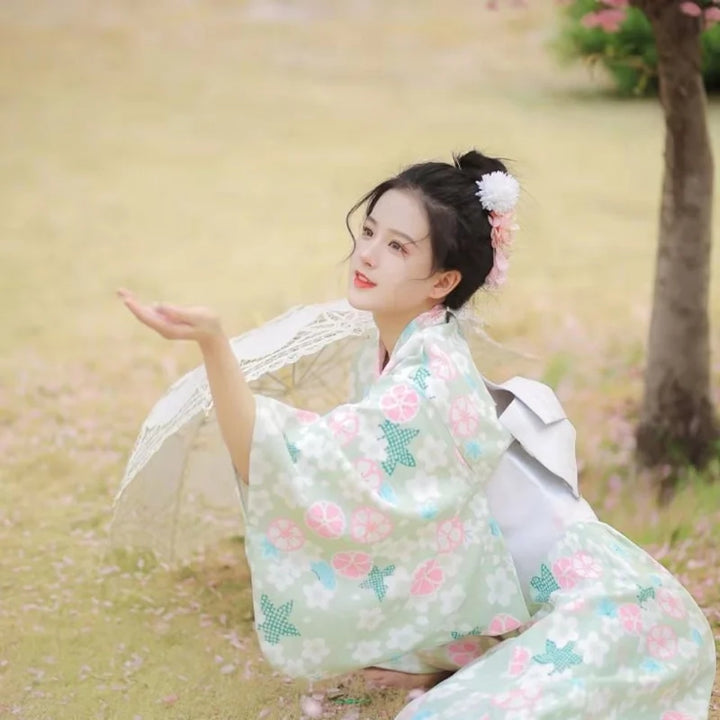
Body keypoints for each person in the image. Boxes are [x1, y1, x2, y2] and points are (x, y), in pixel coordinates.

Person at [118, 150, 715, 719]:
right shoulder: (391, 347)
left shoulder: (428, 381)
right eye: (371, 231)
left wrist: (215, 344)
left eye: (398, 246)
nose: (368, 254)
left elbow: (282, 459)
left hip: (619, 615)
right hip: (562, 607)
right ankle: (466, 660)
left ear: (442, 281)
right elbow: (422, 531)